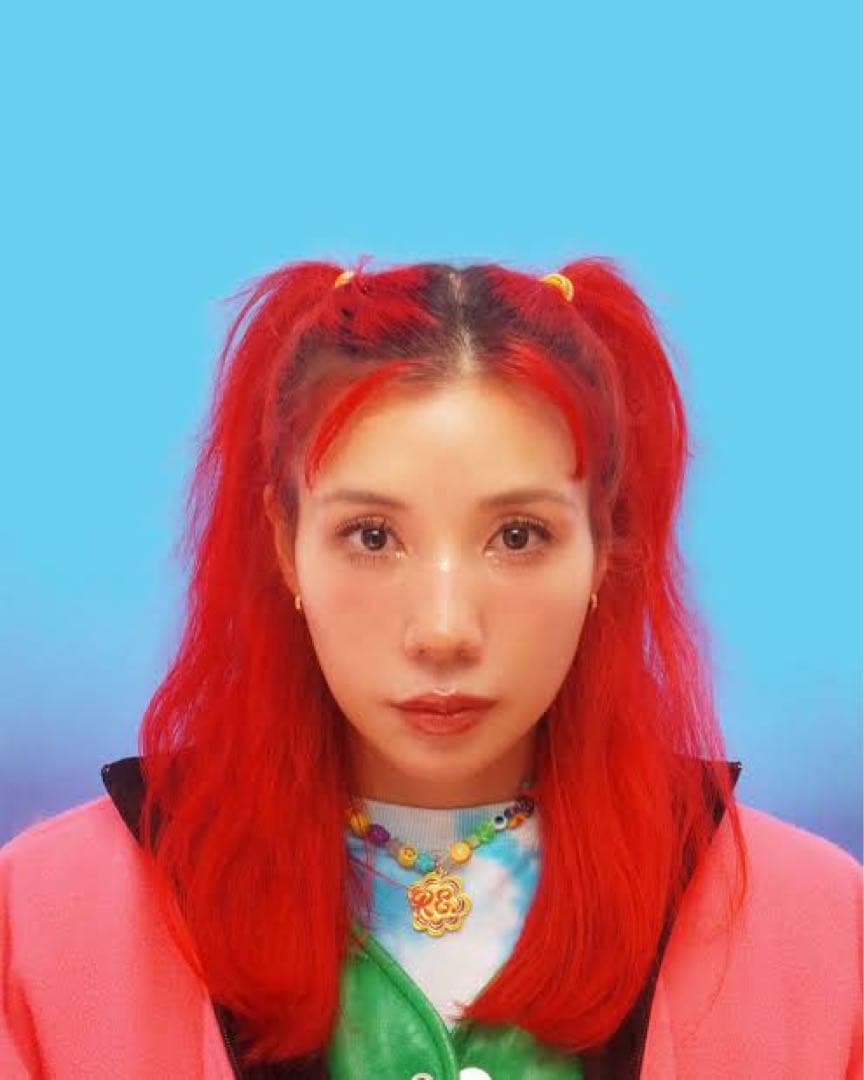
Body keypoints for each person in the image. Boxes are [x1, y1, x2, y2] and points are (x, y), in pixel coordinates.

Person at [0, 257, 860, 1079]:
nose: (444, 631)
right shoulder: (44, 921)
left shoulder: (818, 927)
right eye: (372, 536)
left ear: (606, 548)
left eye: (518, 536)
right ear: (285, 547)